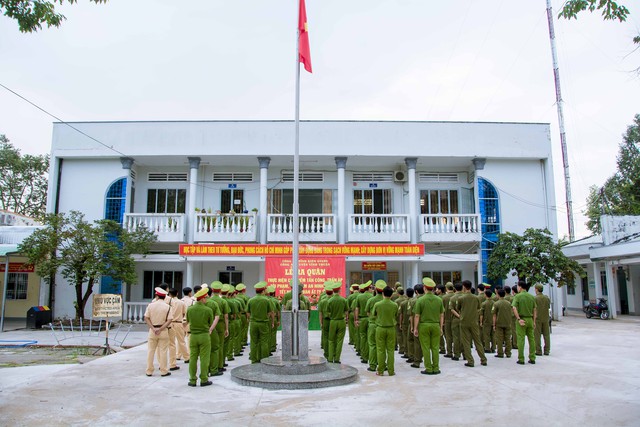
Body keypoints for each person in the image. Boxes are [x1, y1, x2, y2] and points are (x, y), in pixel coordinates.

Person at [413, 278, 444, 375]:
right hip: (435, 325)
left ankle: (428, 368)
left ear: (424, 288)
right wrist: (441, 327)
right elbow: (441, 315)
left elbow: (417, 315)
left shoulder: (420, 300)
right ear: (433, 289)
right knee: (435, 347)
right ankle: (436, 367)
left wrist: (415, 328)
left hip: (424, 325)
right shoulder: (439, 299)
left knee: (425, 347)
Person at [186, 287, 217, 387]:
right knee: (204, 358)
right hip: (204, 335)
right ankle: (204, 379)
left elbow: (188, 320)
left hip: (193, 335)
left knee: (193, 357)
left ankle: (192, 380)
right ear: (203, 298)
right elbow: (210, 322)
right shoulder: (208, 310)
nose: (206, 300)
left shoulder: (190, 309)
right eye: (205, 298)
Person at [452, 280, 487, 367]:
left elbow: (457, 308)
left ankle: (470, 361)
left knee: (466, 341)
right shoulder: (476, 298)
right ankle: (483, 359)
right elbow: (479, 308)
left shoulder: (461, 298)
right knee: (477, 341)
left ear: (464, 287)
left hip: (464, 321)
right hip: (474, 321)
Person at [144, 287, 172, 377]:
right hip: (163, 330)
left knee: (151, 351)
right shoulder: (167, 307)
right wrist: (161, 328)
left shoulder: (150, 305)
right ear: (164, 297)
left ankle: (149, 370)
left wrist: (153, 328)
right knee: (163, 351)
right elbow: (169, 320)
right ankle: (163, 370)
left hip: (152, 331)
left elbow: (146, 317)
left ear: (156, 295)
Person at [372, 286, 398, 376]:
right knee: (390, 350)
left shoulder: (377, 304)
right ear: (391, 295)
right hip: (391, 328)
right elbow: (396, 315)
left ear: (383, 294)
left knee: (380, 350)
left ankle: (380, 370)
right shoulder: (395, 305)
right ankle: (391, 371)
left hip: (380, 328)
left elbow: (373, 314)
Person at [247, 281, 275, 363]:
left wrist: (251, 319)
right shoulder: (267, 300)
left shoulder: (251, 300)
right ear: (263, 291)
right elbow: (271, 312)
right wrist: (269, 319)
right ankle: (265, 359)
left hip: (253, 323)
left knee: (254, 341)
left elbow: (248, 313)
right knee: (264, 342)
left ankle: (254, 359)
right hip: (263, 323)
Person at [512, 280, 537, 365]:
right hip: (530, 319)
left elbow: (514, 308)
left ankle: (521, 359)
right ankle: (532, 357)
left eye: (518, 286)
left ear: (520, 287)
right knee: (532, 339)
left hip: (522, 319)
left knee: (521, 339)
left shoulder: (518, 296)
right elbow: (534, 309)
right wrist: (534, 321)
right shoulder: (531, 296)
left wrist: (518, 319)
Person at [365, 280, 386, 372]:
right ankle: (382, 364)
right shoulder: (386, 300)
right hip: (383, 325)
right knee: (382, 346)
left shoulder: (371, 300)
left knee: (372, 345)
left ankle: (373, 365)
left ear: (375, 289)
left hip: (373, 325)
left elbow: (368, 312)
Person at [326, 281, 348, 363]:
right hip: (341, 321)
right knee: (339, 341)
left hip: (333, 321)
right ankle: (337, 358)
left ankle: (330, 358)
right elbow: (346, 312)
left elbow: (327, 312)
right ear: (339, 290)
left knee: (331, 340)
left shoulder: (330, 301)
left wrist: (332, 315)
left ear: (333, 291)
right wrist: (345, 318)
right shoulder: (343, 300)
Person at [204, 286, 223, 377]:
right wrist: (211, 328)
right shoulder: (213, 303)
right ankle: (213, 369)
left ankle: (205, 371)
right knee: (215, 349)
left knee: (202, 352)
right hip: (211, 329)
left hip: (199, 331)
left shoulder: (194, 305)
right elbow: (217, 317)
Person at [168, 288, 189, 368]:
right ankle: (186, 357)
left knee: (171, 343)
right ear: (177, 293)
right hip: (178, 322)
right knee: (181, 341)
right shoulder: (181, 302)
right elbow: (184, 313)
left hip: (169, 323)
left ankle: (173, 360)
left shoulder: (168, 302)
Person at [354, 281, 373, 363]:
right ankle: (369, 355)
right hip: (370, 319)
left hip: (362, 319)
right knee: (370, 338)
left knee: (362, 337)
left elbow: (356, 309)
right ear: (368, 288)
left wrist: (356, 319)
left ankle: (363, 356)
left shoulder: (359, 297)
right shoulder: (372, 297)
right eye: (371, 288)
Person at [492, 288, 512, 358]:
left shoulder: (496, 303)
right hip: (507, 322)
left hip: (499, 323)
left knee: (499, 339)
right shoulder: (509, 303)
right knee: (508, 338)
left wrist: (494, 324)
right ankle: (508, 352)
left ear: (498, 294)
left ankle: (500, 353)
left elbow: (494, 315)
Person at [534, 284, 551, 356]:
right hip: (546, 318)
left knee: (537, 335)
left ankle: (538, 350)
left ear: (537, 289)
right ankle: (547, 350)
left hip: (537, 319)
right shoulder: (546, 298)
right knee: (546, 335)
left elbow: (533, 308)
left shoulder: (535, 298)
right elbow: (548, 306)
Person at [449, 282, 463, 361]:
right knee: (465, 337)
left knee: (456, 337)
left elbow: (451, 309)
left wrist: (458, 316)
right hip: (465, 319)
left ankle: (457, 354)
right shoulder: (465, 297)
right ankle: (465, 354)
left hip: (456, 319)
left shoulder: (453, 298)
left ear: (455, 288)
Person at [180, 287, 195, 363]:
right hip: (188, 320)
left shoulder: (181, 301)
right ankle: (188, 354)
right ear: (189, 293)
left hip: (180, 321)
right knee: (189, 337)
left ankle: (178, 354)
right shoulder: (192, 301)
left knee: (180, 339)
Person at [441, 282, 455, 358]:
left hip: (447, 319)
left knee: (448, 336)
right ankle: (457, 351)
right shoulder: (456, 296)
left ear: (446, 288)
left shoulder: (444, 298)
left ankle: (449, 352)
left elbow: (441, 310)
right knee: (456, 336)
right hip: (456, 318)